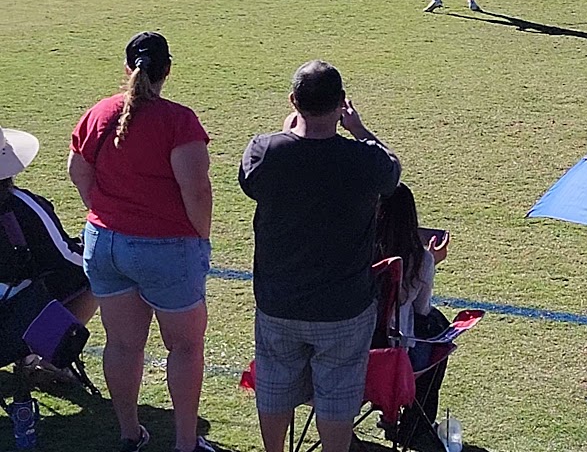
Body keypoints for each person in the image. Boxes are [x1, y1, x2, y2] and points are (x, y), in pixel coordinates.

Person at [240, 60, 401, 452]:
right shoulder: (363, 160)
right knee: (339, 394)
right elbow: (392, 172)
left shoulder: (266, 151)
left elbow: (255, 176)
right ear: (341, 103)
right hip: (343, 306)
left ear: (294, 101)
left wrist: (287, 131)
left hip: (280, 301)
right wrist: (359, 129)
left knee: (275, 387)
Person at [68, 32, 214, 452]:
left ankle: (130, 434)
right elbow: (197, 192)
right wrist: (200, 237)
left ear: (127, 67)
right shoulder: (178, 121)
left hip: (106, 244)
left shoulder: (99, 113)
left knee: (123, 344)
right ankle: (186, 443)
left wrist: (103, 211)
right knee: (185, 346)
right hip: (167, 248)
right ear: (168, 69)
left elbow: (78, 171)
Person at [1, 126, 98, 377]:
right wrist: (89, 252)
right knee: (96, 275)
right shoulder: (21, 206)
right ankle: (46, 356)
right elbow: (64, 257)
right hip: (9, 323)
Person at [373, 184, 450, 434]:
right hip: (393, 357)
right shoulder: (419, 259)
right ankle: (414, 423)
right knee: (439, 330)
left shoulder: (355, 251)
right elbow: (422, 310)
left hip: (347, 348)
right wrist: (431, 263)